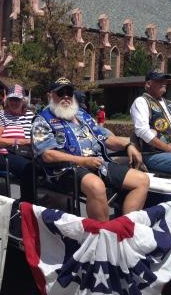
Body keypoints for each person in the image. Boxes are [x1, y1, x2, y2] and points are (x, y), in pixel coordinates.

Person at [32, 77, 149, 222]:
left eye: (69, 92)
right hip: (65, 169)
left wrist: (128, 146)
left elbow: (105, 137)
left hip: (98, 163)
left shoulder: (83, 115)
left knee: (142, 180)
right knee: (96, 186)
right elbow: (47, 155)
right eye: (60, 92)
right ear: (50, 96)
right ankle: (102, 235)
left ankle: (126, 229)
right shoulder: (41, 120)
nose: (66, 96)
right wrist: (83, 161)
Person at [0, 84, 35, 202]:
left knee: (47, 165)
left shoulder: (30, 115)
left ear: (23, 100)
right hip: (5, 154)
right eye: (12, 99)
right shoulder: (1, 115)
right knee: (28, 168)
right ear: (7, 100)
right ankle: (26, 204)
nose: (14, 102)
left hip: (28, 152)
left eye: (17, 99)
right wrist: (20, 141)